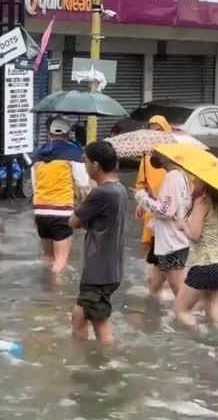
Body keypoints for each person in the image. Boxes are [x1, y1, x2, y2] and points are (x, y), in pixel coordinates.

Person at [69, 141, 128, 344]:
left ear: (95, 165)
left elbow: (73, 221)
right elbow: (100, 225)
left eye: (85, 160)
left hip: (99, 271)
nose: (84, 165)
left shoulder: (101, 193)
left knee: (98, 323)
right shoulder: (119, 189)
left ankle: (104, 365)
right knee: (82, 316)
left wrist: (81, 199)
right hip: (110, 268)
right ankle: (90, 361)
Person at [174, 164, 218, 327]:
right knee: (215, 314)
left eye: (197, 178)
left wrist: (183, 225)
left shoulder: (203, 202)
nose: (194, 181)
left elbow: (194, 235)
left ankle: (197, 341)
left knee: (182, 309)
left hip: (205, 264)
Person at [31, 116, 91, 273]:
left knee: (47, 260)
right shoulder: (73, 151)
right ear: (67, 134)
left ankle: (44, 291)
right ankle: (57, 296)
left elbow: (34, 184)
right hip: (61, 212)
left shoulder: (38, 154)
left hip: (40, 212)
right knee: (61, 261)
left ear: (50, 133)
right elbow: (82, 182)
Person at [135, 151, 192, 300]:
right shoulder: (181, 175)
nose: (153, 155)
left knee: (179, 291)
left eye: (156, 152)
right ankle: (154, 318)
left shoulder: (172, 177)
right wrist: (153, 199)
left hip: (172, 243)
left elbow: (165, 211)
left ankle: (190, 320)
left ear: (166, 155)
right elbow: (170, 206)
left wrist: (142, 198)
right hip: (165, 241)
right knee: (154, 288)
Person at [135, 115, 172, 256]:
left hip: (171, 211)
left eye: (158, 130)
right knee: (149, 251)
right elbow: (141, 184)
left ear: (166, 131)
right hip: (152, 210)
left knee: (170, 252)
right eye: (151, 131)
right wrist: (141, 201)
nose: (155, 134)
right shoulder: (146, 157)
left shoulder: (176, 155)